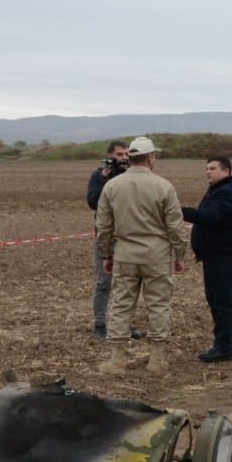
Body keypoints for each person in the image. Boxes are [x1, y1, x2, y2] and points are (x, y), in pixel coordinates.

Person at [95, 136, 187, 375]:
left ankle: (116, 361)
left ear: (131, 157)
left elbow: (103, 225)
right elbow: (175, 226)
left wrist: (106, 253)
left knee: (121, 306)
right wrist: (179, 254)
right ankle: (156, 360)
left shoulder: (112, 186)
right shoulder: (163, 186)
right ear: (150, 158)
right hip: (157, 255)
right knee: (158, 305)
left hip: (125, 254)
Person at [182, 157, 232, 363]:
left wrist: (177, 210)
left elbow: (210, 216)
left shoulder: (226, 192)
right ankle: (221, 343)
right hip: (214, 255)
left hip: (223, 256)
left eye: (213, 168)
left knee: (222, 301)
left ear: (226, 171)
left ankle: (224, 347)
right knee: (216, 299)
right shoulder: (217, 190)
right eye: (206, 168)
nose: (208, 172)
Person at [86, 140, 141, 341]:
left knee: (127, 283)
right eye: (119, 154)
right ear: (110, 156)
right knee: (104, 283)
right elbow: (93, 201)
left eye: (126, 154)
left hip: (128, 237)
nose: (124, 157)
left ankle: (124, 323)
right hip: (106, 238)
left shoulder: (130, 176)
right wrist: (105, 179)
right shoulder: (99, 176)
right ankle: (100, 324)